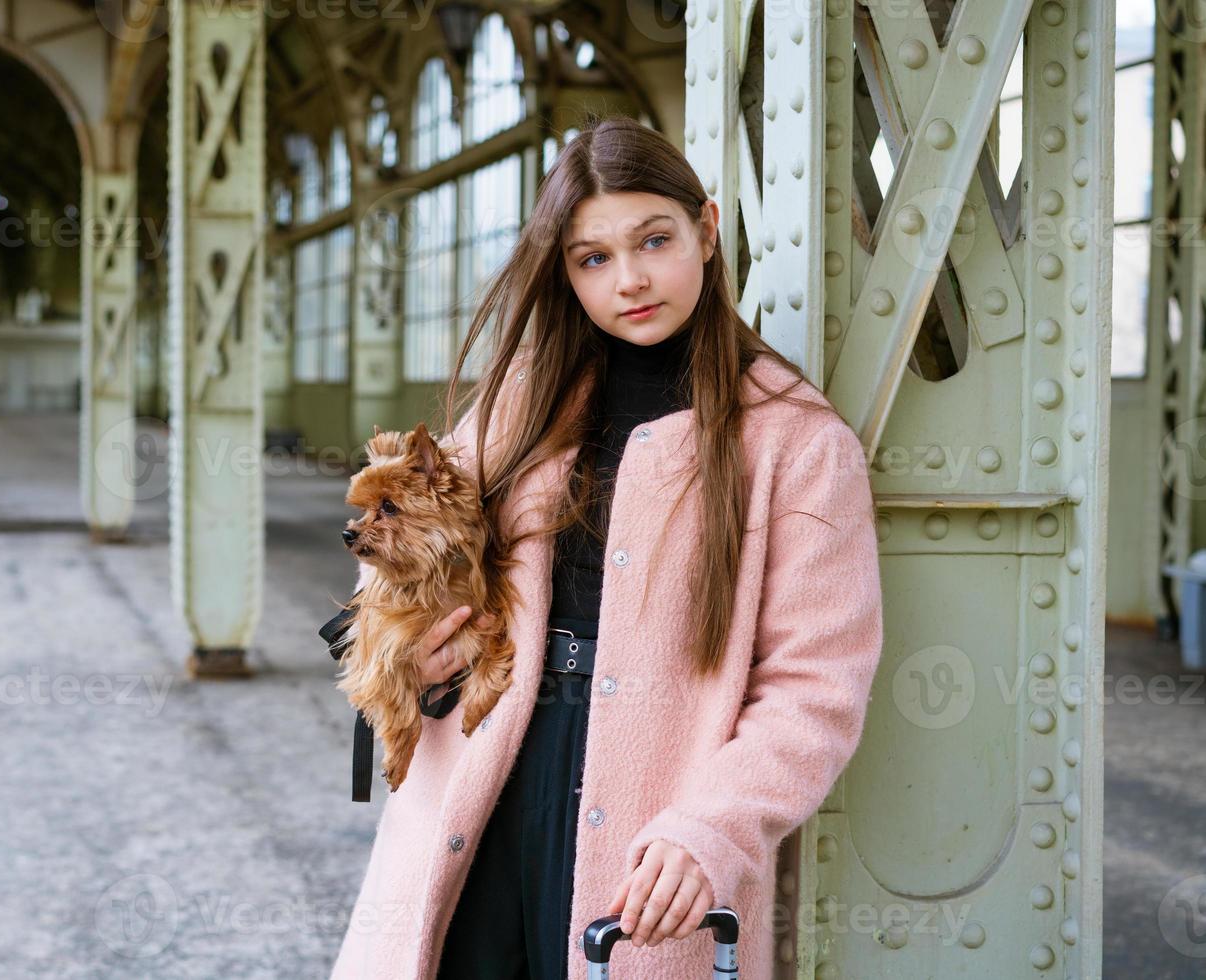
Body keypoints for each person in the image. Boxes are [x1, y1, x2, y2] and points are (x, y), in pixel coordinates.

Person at [327, 116, 884, 980]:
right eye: (592, 259)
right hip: (482, 766)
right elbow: (398, 542)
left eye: (654, 240)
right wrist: (415, 651)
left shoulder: (797, 443)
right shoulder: (522, 400)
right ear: (566, 274)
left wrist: (716, 826)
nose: (629, 280)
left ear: (705, 228)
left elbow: (815, 687)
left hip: (657, 804)